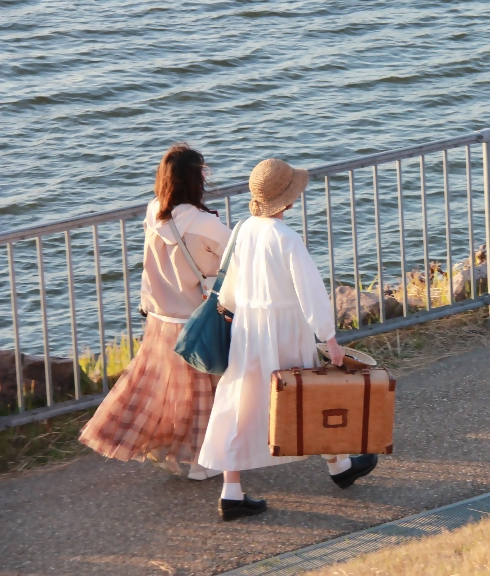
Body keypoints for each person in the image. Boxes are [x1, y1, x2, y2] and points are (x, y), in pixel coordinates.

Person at [197, 158, 378, 521]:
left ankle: (232, 492)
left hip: (249, 327)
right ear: (289, 201)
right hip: (286, 327)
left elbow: (228, 284)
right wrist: (329, 337)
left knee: (241, 402)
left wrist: (236, 311)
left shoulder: (244, 229)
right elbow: (310, 291)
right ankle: (339, 465)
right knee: (309, 396)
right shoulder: (288, 239)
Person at [80, 143, 231, 481]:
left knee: (161, 391)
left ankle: (167, 450)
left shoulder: (154, 213)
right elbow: (236, 261)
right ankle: (201, 462)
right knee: (204, 392)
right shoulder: (206, 224)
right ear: (196, 179)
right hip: (195, 319)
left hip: (160, 318)